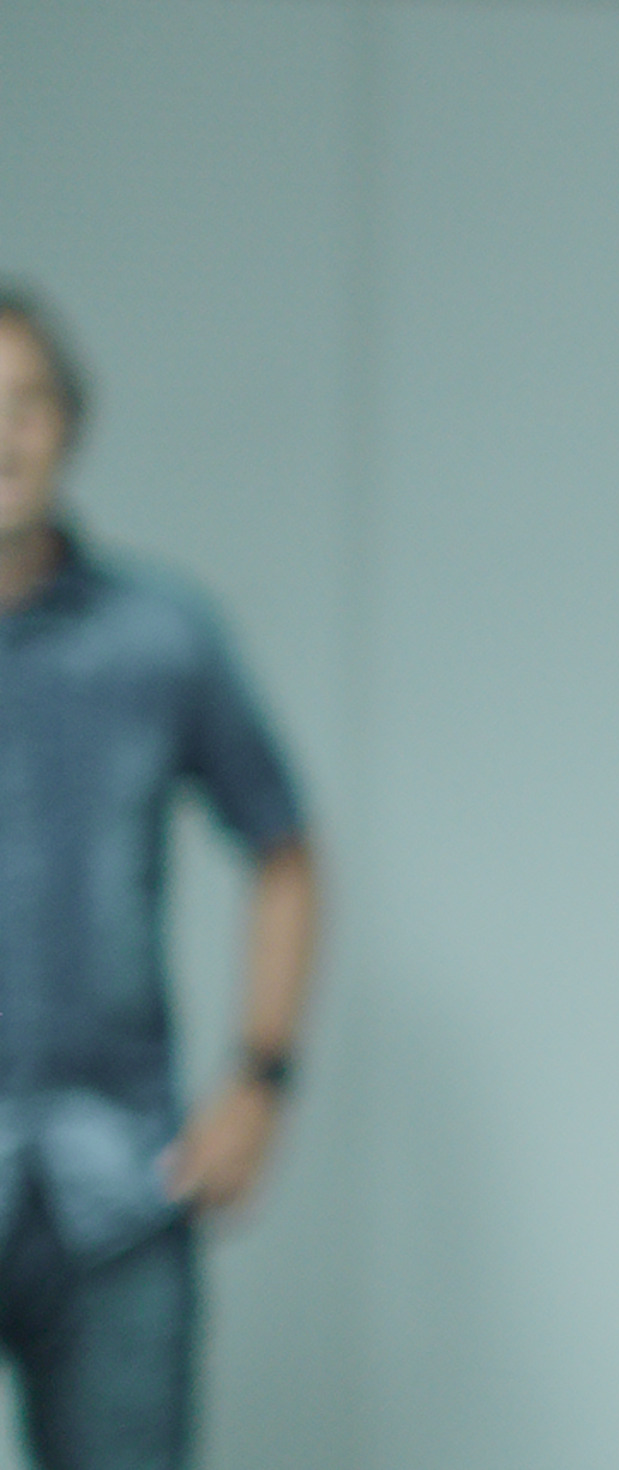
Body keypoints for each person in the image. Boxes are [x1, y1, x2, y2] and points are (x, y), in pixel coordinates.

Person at [0, 284, 322, 1470]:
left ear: (68, 429)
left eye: (27, 404)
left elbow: (284, 849)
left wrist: (262, 1077)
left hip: (115, 1192)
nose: (2, 434)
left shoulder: (161, 636)